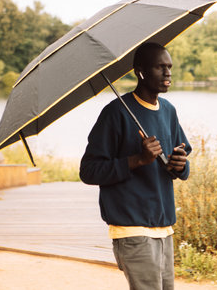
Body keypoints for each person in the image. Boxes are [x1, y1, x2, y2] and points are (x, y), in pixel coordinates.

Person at [79, 42, 191, 290]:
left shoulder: (169, 111)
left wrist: (180, 166)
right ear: (140, 71)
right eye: (160, 67)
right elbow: (88, 171)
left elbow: (181, 164)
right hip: (132, 228)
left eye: (169, 67)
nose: (168, 73)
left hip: (164, 227)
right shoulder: (116, 113)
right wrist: (137, 160)